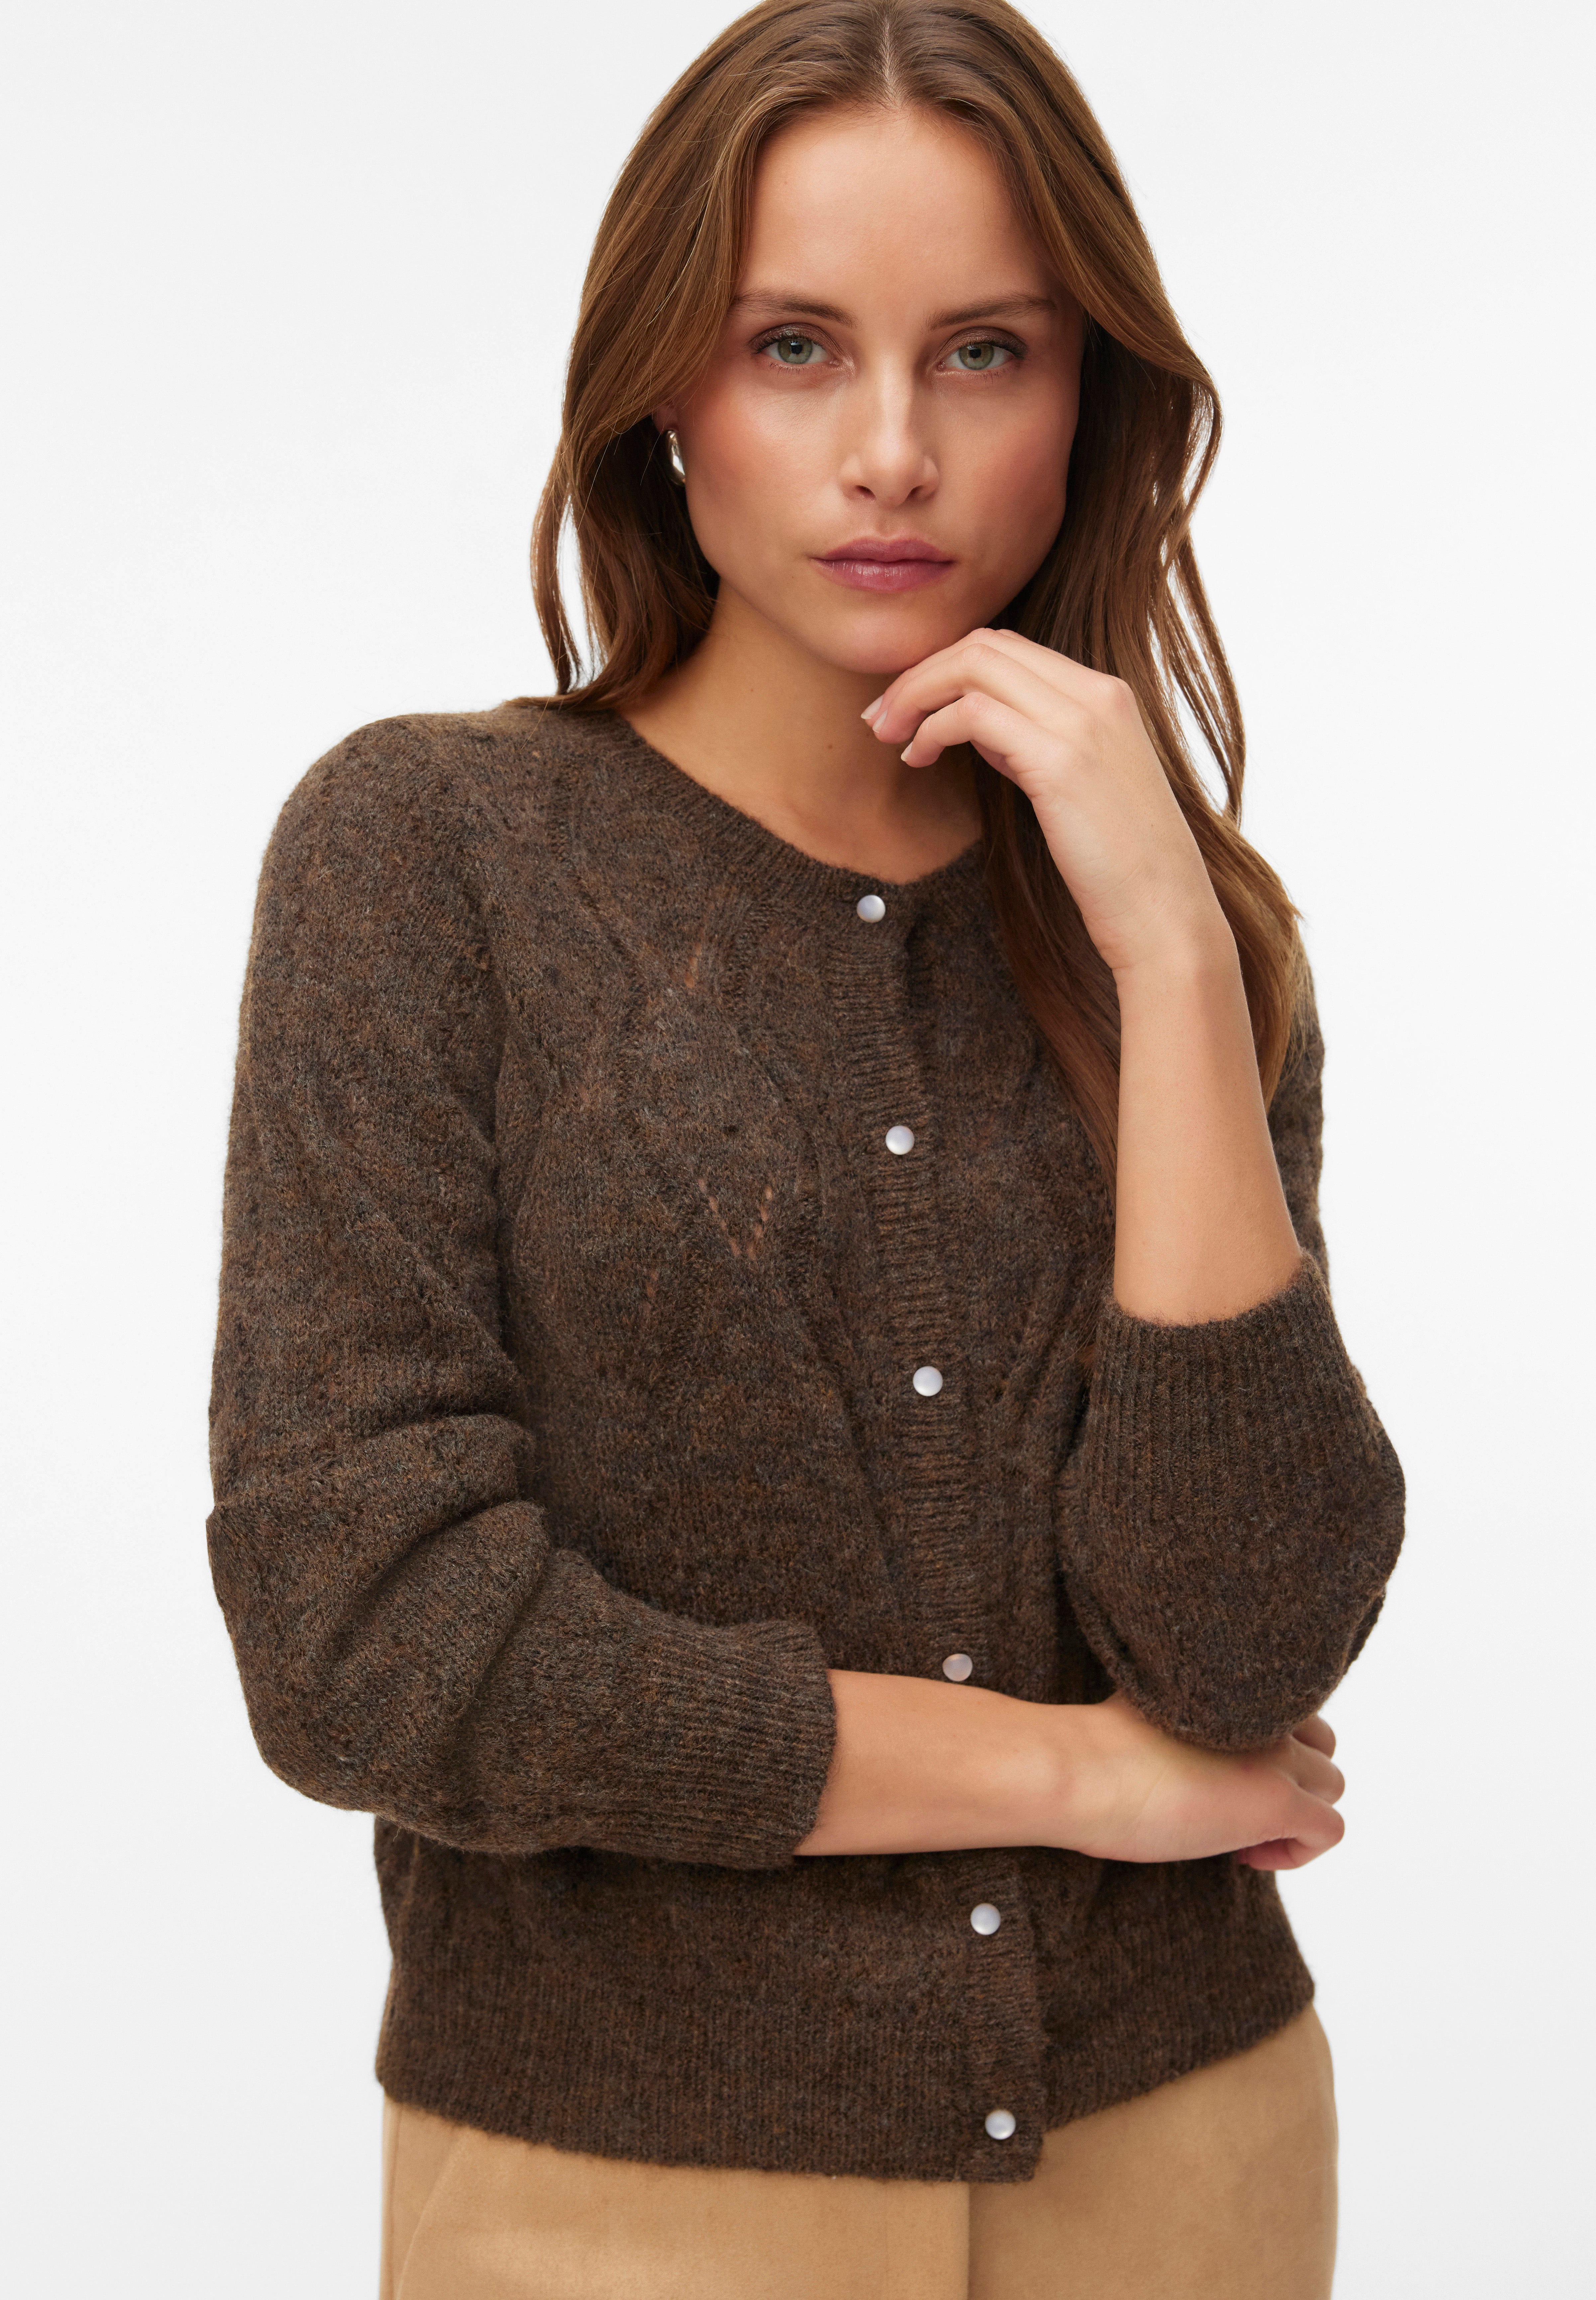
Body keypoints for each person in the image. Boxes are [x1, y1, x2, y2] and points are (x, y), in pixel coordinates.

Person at [205, 3, 1406, 2292]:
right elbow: (367, 1635)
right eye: (794, 346)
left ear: (1088, 398)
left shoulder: (1184, 926)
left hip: (1188, 2158)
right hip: (619, 2192)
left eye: (983, 354)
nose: (892, 453)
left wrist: (1170, 958)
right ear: (666, 388)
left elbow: (1246, 1634)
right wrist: (1073, 1776)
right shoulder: (431, 857)